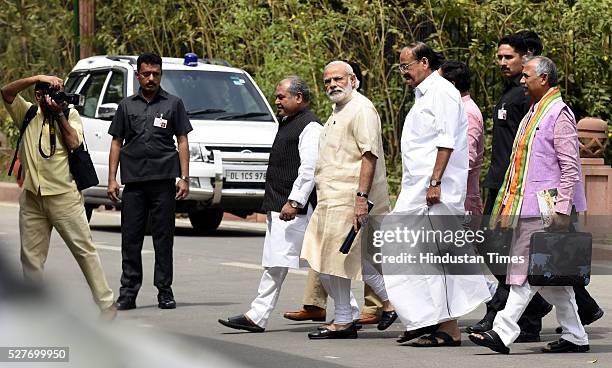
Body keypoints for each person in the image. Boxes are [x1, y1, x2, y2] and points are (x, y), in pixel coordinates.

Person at [469, 56, 590, 354]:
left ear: (544, 79)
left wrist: (562, 209)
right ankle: (576, 336)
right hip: (527, 205)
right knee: (550, 278)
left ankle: (503, 330)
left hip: (545, 208)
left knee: (523, 266)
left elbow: (570, 168)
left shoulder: (558, 114)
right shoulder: (534, 111)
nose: (522, 81)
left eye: (527, 76)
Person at [383, 42, 490, 347]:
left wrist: (435, 181)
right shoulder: (425, 94)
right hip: (417, 188)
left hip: (433, 192)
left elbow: (446, 141)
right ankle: (423, 319)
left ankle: (447, 328)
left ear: (424, 62)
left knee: (437, 259)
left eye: (406, 66)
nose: (403, 73)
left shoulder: (442, 91)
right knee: (406, 251)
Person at [1, 75, 116, 320]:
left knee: (84, 251)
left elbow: (75, 143)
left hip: (64, 196)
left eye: (58, 91)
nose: (54, 96)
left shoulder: (71, 116)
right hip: (33, 196)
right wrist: (36, 78)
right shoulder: (28, 113)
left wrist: (60, 114)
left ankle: (107, 305)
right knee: (31, 258)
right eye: (48, 92)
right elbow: (6, 92)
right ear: (38, 95)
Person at [300, 60, 397, 339]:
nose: (332, 84)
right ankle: (390, 304)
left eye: (338, 79)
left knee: (335, 260)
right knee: (338, 259)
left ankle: (347, 318)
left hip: (349, 198)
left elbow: (369, 155)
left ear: (353, 80)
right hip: (330, 198)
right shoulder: (338, 110)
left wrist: (361, 198)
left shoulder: (361, 109)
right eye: (327, 80)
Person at [218, 76, 321, 332]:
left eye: (281, 97)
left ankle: (258, 316)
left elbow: (309, 169)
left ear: (298, 98)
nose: (276, 102)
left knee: (303, 265)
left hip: (294, 210)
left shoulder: (310, 126)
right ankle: (348, 312)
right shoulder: (288, 122)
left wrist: (294, 202)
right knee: (289, 263)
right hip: (280, 206)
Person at [108, 52, 192, 310]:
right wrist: (112, 179)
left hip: (163, 181)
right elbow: (116, 142)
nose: (151, 78)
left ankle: (164, 291)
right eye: (146, 74)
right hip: (134, 182)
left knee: (163, 239)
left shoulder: (173, 104)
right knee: (130, 239)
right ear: (138, 76)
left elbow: (183, 140)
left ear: (161, 75)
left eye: (156, 74)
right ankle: (128, 293)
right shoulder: (126, 106)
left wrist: (184, 177)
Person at [439, 61, 484, 225]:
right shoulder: (455, 109)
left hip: (463, 202)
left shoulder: (468, 112)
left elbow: (467, 159)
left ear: (451, 84)